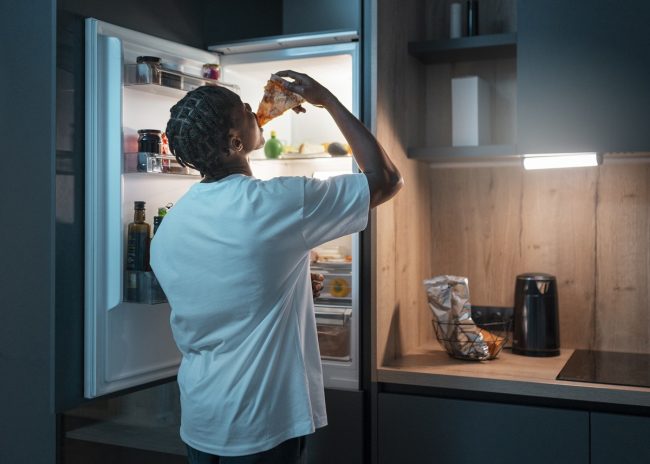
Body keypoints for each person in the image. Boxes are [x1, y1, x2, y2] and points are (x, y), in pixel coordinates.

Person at [150, 70, 402, 464]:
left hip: (201, 417)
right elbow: (385, 180)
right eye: (245, 111)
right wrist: (328, 101)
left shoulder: (172, 225)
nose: (255, 111)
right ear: (236, 142)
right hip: (261, 420)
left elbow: (228, 292)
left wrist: (293, 283)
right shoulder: (277, 202)